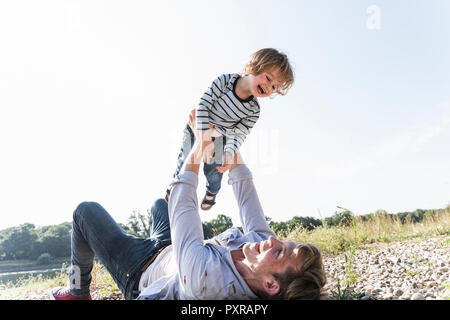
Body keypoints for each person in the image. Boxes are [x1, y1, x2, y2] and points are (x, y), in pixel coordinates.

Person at [51, 110, 326, 301]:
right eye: (283, 243)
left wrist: (200, 142)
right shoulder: (262, 245)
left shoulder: (207, 282)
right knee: (161, 205)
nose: (272, 241)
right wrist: (227, 142)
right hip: (167, 250)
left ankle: (78, 292)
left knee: (84, 212)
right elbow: (245, 191)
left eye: (278, 253)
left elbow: (184, 203)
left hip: (138, 271)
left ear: (270, 284)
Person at [165, 48, 294, 210]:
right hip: (199, 127)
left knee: (215, 170)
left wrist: (229, 153)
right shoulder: (225, 81)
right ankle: (175, 185)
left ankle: (212, 191)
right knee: (185, 157)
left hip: (219, 138)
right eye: (268, 79)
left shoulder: (253, 110)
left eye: (274, 87)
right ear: (253, 67)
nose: (269, 87)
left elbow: (239, 134)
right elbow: (204, 105)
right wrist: (204, 137)